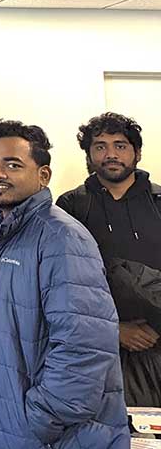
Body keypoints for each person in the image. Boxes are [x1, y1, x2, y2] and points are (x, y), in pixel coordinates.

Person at [0, 120, 128, 449]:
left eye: (12, 164)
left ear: (43, 174)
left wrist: (37, 419)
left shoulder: (61, 237)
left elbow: (84, 348)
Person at [57, 112, 161, 406]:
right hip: (99, 349)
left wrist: (156, 327)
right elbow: (65, 284)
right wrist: (114, 331)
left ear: (137, 152)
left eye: (120, 145)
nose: (111, 154)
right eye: (100, 146)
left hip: (158, 344)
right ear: (89, 155)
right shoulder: (70, 206)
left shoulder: (159, 203)